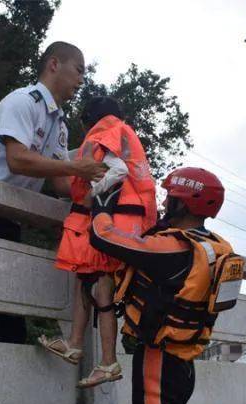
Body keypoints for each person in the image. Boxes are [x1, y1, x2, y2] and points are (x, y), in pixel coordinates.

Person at [89, 167, 244, 404]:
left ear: (183, 203)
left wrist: (101, 204)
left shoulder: (173, 248)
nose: (164, 202)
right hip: (182, 365)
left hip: (157, 366)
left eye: (170, 197)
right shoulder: (213, 247)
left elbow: (104, 237)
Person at [0, 41, 106, 343]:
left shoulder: (60, 125)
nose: (82, 80)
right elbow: (17, 159)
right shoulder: (22, 101)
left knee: (7, 309)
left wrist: (101, 194)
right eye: (79, 70)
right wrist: (76, 168)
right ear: (54, 64)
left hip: (8, 215)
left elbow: (61, 184)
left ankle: (4, 369)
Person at [38, 96, 156, 388]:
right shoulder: (124, 133)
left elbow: (117, 171)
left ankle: (107, 362)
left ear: (89, 120)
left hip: (110, 220)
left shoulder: (104, 132)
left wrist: (92, 195)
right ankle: (75, 344)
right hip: (127, 221)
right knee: (86, 278)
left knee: (102, 290)